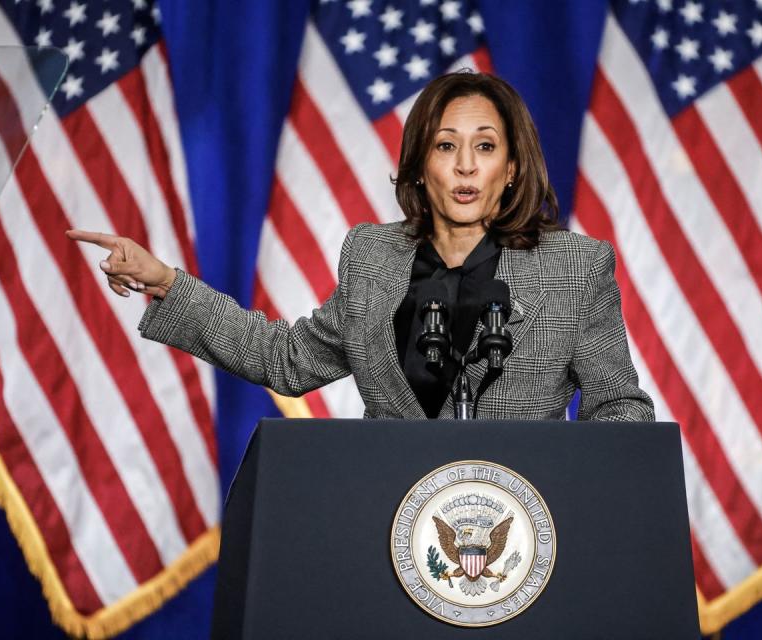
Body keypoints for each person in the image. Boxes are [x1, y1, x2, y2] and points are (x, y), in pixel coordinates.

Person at [67, 71, 654, 422]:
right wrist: (168, 281)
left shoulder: (576, 268)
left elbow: (620, 410)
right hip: (392, 528)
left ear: (511, 167)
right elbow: (287, 361)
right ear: (421, 166)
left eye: (486, 146)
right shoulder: (373, 258)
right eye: (447, 146)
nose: (467, 165)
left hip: (524, 542)